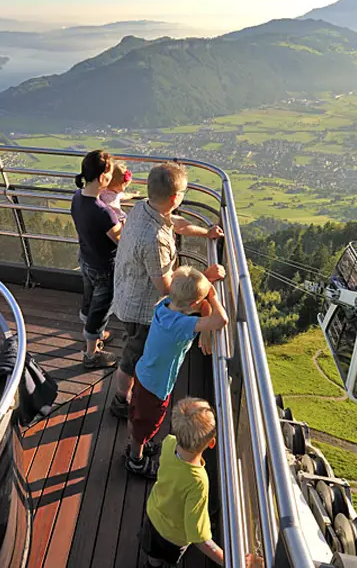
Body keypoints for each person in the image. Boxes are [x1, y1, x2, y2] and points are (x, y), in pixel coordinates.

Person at [109, 162, 225, 419]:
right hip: (140, 310)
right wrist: (205, 278)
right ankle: (120, 400)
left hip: (128, 294)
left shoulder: (143, 208)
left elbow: (176, 223)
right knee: (133, 355)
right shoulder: (155, 239)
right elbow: (168, 288)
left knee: (135, 351)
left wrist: (206, 232)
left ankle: (133, 391)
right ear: (175, 197)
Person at [125, 267, 227, 477]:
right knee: (145, 423)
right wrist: (213, 295)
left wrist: (205, 283)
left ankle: (140, 443)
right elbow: (221, 320)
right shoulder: (181, 324)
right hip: (155, 386)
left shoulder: (164, 306)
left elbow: (189, 297)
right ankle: (135, 459)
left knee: (138, 415)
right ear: (193, 305)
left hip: (144, 373)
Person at [140, 397, 224, 567]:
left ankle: (152, 564)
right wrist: (228, 561)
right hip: (174, 535)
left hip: (154, 513)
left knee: (153, 553)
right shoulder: (198, 481)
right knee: (167, 555)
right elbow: (198, 535)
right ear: (211, 443)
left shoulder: (169, 443)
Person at [70, 150, 121, 369]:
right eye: (109, 176)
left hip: (86, 260)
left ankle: (94, 333)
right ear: (102, 178)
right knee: (100, 310)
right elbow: (121, 240)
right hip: (104, 268)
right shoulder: (104, 212)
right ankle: (91, 354)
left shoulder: (77, 197)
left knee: (89, 300)